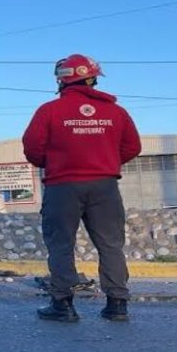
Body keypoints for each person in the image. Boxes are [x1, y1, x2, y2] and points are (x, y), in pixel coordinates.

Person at [22, 54, 142, 322]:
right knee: (111, 245)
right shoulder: (116, 112)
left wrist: (54, 162)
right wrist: (104, 162)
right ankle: (117, 305)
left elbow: (32, 148)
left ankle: (63, 306)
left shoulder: (49, 111)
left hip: (62, 186)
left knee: (61, 245)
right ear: (93, 78)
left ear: (61, 80)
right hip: (105, 187)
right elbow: (133, 147)